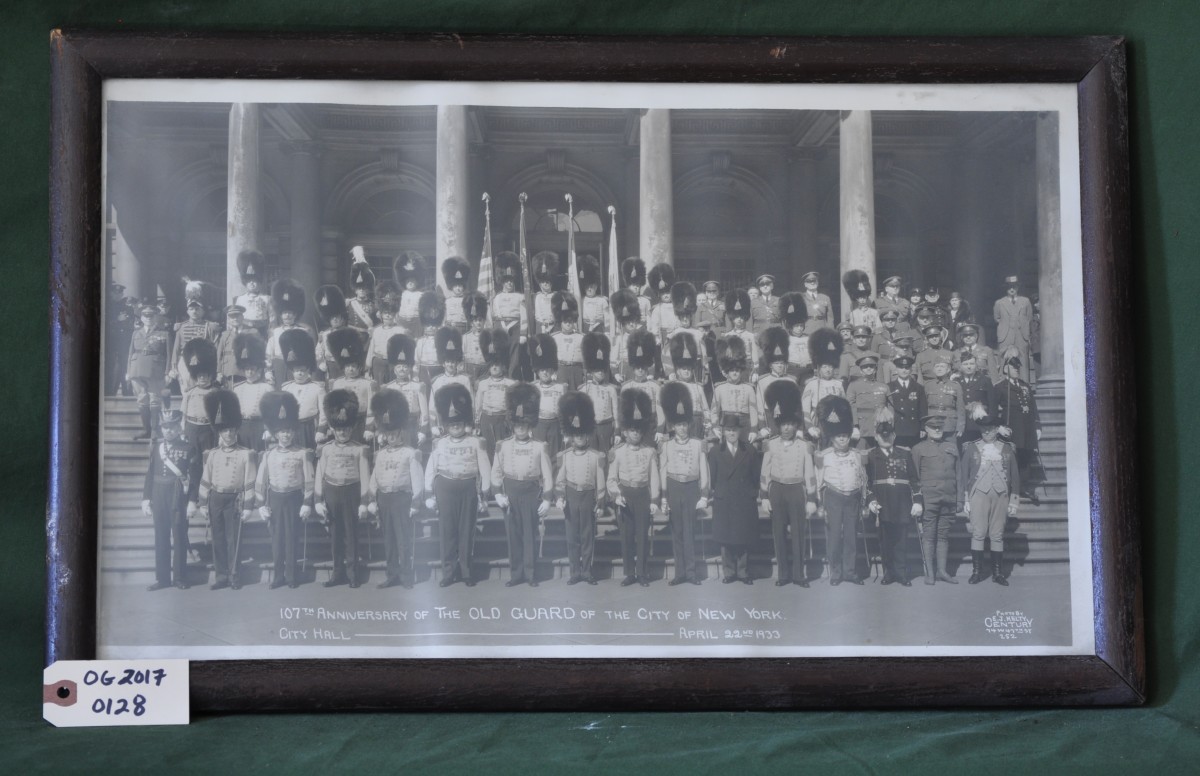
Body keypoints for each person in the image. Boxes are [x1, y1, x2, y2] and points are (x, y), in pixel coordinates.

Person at [425, 383, 491, 587]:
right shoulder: (440, 443)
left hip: (468, 489)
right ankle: (448, 572)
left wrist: (485, 495)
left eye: (459, 422)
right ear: (445, 424)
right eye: (452, 423)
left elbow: (485, 469)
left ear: (465, 422)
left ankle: (466, 571)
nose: (455, 426)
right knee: (447, 532)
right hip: (445, 489)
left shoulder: (476, 442)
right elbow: (431, 468)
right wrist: (429, 494)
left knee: (466, 531)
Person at [492, 383, 554, 587]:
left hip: (530, 493)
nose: (520, 429)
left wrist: (546, 499)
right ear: (512, 425)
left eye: (524, 425)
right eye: (517, 425)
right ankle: (516, 573)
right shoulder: (503, 445)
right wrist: (498, 493)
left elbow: (547, 474)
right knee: (514, 535)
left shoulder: (539, 447)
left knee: (529, 534)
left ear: (529, 426)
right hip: (510, 493)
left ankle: (530, 573)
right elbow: (496, 471)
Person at [196, 389, 257, 590]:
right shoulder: (212, 455)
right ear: (220, 433)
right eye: (225, 431)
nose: (229, 434)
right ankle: (221, 576)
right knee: (218, 539)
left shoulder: (246, 454)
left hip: (234, 500)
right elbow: (206, 479)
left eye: (231, 430)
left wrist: (248, 506)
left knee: (234, 541)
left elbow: (250, 481)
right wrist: (203, 502)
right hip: (215, 499)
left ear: (236, 431)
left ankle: (234, 576)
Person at [760, 379, 818, 587]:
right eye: (783, 424)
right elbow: (765, 471)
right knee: (779, 533)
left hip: (796, 490)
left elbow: (810, 473)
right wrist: (764, 496)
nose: (786, 428)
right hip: (777, 490)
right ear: (779, 425)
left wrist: (811, 498)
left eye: (790, 424)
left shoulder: (804, 446)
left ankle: (798, 575)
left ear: (795, 425)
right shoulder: (771, 444)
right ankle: (783, 575)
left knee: (798, 533)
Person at [255, 391, 315, 589]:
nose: (286, 435)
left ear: (294, 432)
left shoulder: (302, 454)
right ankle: (278, 576)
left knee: (292, 537)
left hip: (294, 498)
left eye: (289, 431)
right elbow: (260, 482)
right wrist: (261, 504)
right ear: (276, 434)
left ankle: (291, 576)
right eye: (282, 432)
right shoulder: (268, 455)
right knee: (277, 539)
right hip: (275, 499)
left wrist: (307, 502)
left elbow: (309, 480)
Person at [368, 389, 424, 589]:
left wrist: (416, 503)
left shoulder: (411, 453)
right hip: (384, 500)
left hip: (402, 499)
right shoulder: (380, 454)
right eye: (388, 434)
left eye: (394, 433)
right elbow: (375, 478)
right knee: (389, 540)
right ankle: (391, 575)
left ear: (401, 432)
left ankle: (406, 576)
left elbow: (417, 480)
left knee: (403, 540)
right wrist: (372, 500)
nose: (391, 437)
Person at [314, 390, 371, 588]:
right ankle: (337, 573)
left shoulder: (360, 449)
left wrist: (364, 502)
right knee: (335, 536)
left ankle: (353, 574)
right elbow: (320, 475)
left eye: (346, 429)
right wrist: (317, 501)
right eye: (339, 429)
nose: (343, 433)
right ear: (332, 428)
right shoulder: (326, 449)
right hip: (331, 494)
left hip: (351, 493)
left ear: (352, 427)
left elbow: (365, 477)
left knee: (351, 535)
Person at [141, 408, 201, 591]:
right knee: (161, 536)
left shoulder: (189, 448)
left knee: (180, 536)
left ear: (179, 427)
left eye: (172, 427)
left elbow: (195, 477)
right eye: (165, 427)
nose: (169, 431)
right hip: (159, 494)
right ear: (161, 428)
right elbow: (150, 474)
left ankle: (180, 577)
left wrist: (192, 501)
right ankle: (163, 578)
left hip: (178, 496)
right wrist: (146, 498)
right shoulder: (156, 447)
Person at [958, 408, 1020, 585]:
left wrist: (1014, 501)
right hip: (978, 495)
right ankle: (977, 572)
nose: (987, 432)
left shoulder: (1007, 449)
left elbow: (1015, 476)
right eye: (984, 429)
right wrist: (965, 499)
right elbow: (964, 475)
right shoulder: (971, 448)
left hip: (1001, 496)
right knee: (978, 533)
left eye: (991, 429)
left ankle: (998, 574)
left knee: (997, 534)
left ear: (996, 429)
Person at [607, 389, 661, 586]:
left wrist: (655, 500)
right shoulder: (618, 453)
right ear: (625, 431)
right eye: (632, 431)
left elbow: (654, 477)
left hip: (642, 495)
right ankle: (629, 573)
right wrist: (616, 495)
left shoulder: (649, 452)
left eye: (638, 431)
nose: (635, 434)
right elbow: (611, 479)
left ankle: (642, 573)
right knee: (627, 537)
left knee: (642, 536)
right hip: (626, 495)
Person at [659, 383, 710, 585]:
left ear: (689, 424)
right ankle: (679, 573)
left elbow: (703, 470)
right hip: (674, 488)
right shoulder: (666, 445)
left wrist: (704, 494)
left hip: (691, 489)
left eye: (684, 424)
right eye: (678, 425)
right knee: (677, 532)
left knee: (690, 532)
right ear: (672, 426)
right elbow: (663, 471)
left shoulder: (698, 444)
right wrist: (663, 496)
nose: (682, 428)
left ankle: (691, 572)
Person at [813, 395, 867, 586]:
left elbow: (862, 478)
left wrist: (863, 501)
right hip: (833, 497)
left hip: (852, 498)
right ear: (833, 437)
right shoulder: (823, 456)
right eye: (838, 436)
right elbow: (819, 481)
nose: (842, 439)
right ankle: (835, 573)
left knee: (851, 537)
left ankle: (850, 572)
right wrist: (820, 504)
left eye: (845, 436)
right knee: (834, 537)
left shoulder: (856, 455)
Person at [554, 392, 606, 585]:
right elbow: (560, 481)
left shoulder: (596, 456)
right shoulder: (565, 456)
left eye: (583, 435)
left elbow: (600, 482)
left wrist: (600, 502)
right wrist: (559, 497)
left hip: (587, 497)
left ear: (588, 435)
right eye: (576, 435)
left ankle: (587, 571)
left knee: (587, 536)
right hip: (571, 496)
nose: (580, 438)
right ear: (571, 437)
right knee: (572, 536)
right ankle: (575, 571)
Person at [865, 419, 923, 586]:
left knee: (901, 541)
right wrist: (871, 500)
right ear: (876, 437)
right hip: (881, 505)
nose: (886, 438)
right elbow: (867, 482)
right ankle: (889, 573)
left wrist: (917, 501)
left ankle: (902, 573)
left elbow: (914, 480)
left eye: (889, 435)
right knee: (885, 542)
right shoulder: (871, 456)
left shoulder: (904, 454)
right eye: (882, 436)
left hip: (902, 504)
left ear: (894, 435)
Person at [708, 413, 760, 585]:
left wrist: (751, 493)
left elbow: (755, 476)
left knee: (743, 535)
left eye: (734, 430)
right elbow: (713, 478)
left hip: (744, 497)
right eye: (728, 430)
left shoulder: (749, 450)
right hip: (725, 498)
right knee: (726, 536)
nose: (731, 433)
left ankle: (743, 572)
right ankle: (729, 572)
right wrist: (720, 491)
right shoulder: (716, 451)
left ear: (740, 431)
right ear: (723, 432)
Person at [910, 415, 961, 585]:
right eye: (933, 427)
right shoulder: (918, 449)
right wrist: (917, 500)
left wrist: (959, 499)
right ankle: (929, 573)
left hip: (949, 496)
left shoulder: (952, 447)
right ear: (926, 430)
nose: (937, 430)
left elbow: (958, 475)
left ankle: (942, 571)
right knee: (929, 536)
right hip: (929, 498)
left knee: (943, 536)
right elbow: (914, 477)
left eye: (940, 427)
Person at [993, 349, 1043, 503]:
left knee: (1026, 456)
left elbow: (1033, 407)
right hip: (1012, 428)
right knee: (1012, 457)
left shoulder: (1025, 386)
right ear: (1006, 368)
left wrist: (1037, 426)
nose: (1016, 370)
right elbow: (993, 410)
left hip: (1027, 427)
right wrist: (998, 427)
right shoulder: (1000, 387)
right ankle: (1010, 488)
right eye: (1013, 367)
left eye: (1018, 367)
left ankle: (1026, 487)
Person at [127, 304, 171, 441]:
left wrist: (168, 372)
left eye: (151, 315)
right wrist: (128, 370)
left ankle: (154, 430)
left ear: (156, 317)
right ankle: (146, 430)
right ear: (141, 317)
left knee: (154, 400)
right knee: (141, 400)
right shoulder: (136, 333)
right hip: (137, 369)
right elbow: (130, 352)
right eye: (145, 315)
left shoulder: (164, 333)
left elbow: (168, 355)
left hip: (155, 369)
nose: (149, 318)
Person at [327, 327, 376, 444]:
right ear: (343, 368)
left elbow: (371, 406)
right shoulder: (338, 383)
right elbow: (333, 405)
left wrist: (369, 427)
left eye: (354, 366)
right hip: (344, 422)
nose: (351, 369)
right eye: (348, 367)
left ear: (359, 367)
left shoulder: (367, 383)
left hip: (361, 421)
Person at [473, 327, 516, 462]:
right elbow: (478, 406)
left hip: (502, 421)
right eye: (492, 365)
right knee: (488, 453)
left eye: (497, 365)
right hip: (487, 419)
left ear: (503, 365)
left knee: (503, 452)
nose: (495, 368)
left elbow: (512, 406)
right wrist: (478, 424)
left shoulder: (510, 384)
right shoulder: (483, 384)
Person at [382, 333, 428, 455]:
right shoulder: (388, 387)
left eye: (405, 366)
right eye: (399, 366)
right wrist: (382, 431)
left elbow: (424, 412)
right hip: (393, 427)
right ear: (394, 368)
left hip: (411, 426)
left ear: (409, 368)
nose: (402, 369)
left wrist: (423, 430)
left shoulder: (418, 386)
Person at [279, 329, 324, 451]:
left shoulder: (317, 388)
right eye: (297, 370)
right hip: (291, 428)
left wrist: (321, 430)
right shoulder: (286, 387)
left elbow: (323, 412)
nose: (299, 373)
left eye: (302, 370)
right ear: (292, 371)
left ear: (308, 370)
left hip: (309, 427)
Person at [265, 278, 313, 389]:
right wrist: (268, 370)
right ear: (280, 315)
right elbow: (269, 353)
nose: (287, 316)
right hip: (279, 366)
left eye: (290, 313)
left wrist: (307, 371)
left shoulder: (303, 331)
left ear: (295, 314)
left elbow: (308, 353)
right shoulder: (275, 332)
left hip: (297, 367)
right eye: (284, 313)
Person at [710, 335, 758, 444]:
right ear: (726, 372)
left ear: (741, 371)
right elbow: (714, 411)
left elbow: (753, 410)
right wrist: (715, 426)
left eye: (737, 370)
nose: (735, 373)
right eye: (731, 370)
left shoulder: (749, 388)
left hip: (745, 425)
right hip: (726, 424)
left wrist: (754, 429)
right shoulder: (719, 388)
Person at [169, 295, 221, 395]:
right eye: (191, 309)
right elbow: (176, 348)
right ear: (187, 311)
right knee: (186, 385)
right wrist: (174, 366)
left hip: (204, 360)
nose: (194, 311)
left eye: (197, 309)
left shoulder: (210, 326)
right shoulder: (181, 327)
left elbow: (215, 347)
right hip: (185, 359)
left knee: (204, 385)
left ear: (203, 311)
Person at [527, 333, 566, 463]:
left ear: (553, 370)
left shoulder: (560, 387)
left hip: (554, 424)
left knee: (554, 456)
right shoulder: (533, 387)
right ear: (537, 371)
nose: (545, 373)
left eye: (548, 370)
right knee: (539, 454)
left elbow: (564, 410)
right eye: (542, 370)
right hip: (539, 424)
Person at [801, 328, 846, 441]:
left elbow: (844, 406)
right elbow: (805, 408)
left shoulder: (838, 384)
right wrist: (810, 427)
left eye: (830, 367)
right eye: (824, 367)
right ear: (819, 368)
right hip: (818, 420)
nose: (828, 370)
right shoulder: (812, 384)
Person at [620, 330, 665, 442]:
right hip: (632, 427)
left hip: (650, 426)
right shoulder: (626, 387)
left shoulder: (655, 386)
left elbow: (660, 410)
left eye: (643, 367)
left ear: (647, 367)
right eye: (637, 367)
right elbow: (622, 412)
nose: (640, 370)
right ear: (633, 368)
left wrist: (660, 430)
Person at [581, 333, 619, 459]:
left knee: (605, 456)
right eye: (597, 370)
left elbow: (616, 413)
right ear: (591, 371)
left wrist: (617, 431)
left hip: (606, 426)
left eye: (603, 370)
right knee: (591, 456)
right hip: (591, 427)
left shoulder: (611, 389)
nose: (601, 373)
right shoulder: (584, 389)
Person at [428, 327, 472, 437]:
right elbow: (432, 407)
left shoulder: (464, 380)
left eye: (453, 361)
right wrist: (433, 426)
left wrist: (469, 424)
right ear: (443, 363)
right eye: (448, 362)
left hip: (461, 424)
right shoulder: (437, 382)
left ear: (457, 363)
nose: (450, 365)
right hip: (444, 424)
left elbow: (471, 404)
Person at [231, 332, 272, 452]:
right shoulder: (237, 388)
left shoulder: (266, 388)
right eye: (247, 369)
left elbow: (269, 412)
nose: (249, 372)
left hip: (258, 427)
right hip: (242, 427)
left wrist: (268, 429)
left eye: (252, 369)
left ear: (258, 368)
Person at [666, 333, 710, 440]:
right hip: (680, 421)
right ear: (677, 370)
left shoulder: (698, 387)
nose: (686, 372)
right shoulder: (673, 386)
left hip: (697, 421)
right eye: (683, 369)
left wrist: (708, 420)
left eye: (689, 369)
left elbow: (705, 407)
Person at [179, 338, 218, 456]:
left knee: (208, 458)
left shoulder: (216, 392)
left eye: (205, 376)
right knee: (193, 459)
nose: (203, 378)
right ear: (196, 377)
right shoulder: (190, 393)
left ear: (210, 376)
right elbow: (184, 414)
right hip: (192, 428)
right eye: (200, 376)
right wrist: (183, 429)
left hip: (208, 429)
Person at [756, 327, 795, 440]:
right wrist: (762, 426)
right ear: (770, 365)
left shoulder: (791, 381)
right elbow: (759, 405)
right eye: (776, 363)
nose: (779, 366)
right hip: (770, 417)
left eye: (782, 363)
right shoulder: (763, 381)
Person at [993, 275, 1033, 382]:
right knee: (1004, 359)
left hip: (1021, 335)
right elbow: (997, 318)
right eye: (1009, 287)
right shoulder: (999, 303)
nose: (1012, 289)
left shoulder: (1025, 301)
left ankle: (1024, 386)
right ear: (1006, 288)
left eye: (1014, 287)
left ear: (1017, 288)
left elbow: (1029, 318)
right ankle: (1004, 385)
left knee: (1023, 361)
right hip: (1005, 335)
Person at [369, 280, 409, 386]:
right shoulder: (376, 330)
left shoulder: (400, 330)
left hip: (393, 363)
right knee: (378, 387)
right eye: (385, 313)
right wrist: (368, 365)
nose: (387, 316)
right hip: (378, 362)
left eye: (390, 314)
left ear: (394, 314)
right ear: (381, 314)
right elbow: (371, 348)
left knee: (393, 386)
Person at [846, 354, 889, 449]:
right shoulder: (853, 386)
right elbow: (850, 406)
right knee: (863, 456)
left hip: (882, 428)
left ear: (876, 369)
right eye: (865, 367)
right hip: (863, 428)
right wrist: (855, 426)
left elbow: (890, 407)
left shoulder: (884, 386)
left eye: (871, 366)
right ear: (861, 370)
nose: (868, 368)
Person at [663, 281, 704, 380]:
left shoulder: (699, 334)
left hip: (696, 370)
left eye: (687, 316)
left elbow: (704, 354)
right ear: (678, 317)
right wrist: (670, 372)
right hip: (678, 370)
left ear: (691, 316)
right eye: (682, 317)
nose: (685, 319)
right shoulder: (672, 334)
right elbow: (666, 355)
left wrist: (705, 371)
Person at [312, 285, 353, 382]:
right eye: (332, 317)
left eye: (337, 317)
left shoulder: (349, 333)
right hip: (330, 366)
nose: (335, 319)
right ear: (328, 319)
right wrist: (321, 362)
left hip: (344, 366)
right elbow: (318, 351)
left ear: (342, 318)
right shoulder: (324, 334)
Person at [887, 355, 926, 449]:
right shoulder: (889, 387)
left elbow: (923, 409)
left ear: (911, 370)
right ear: (896, 369)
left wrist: (923, 427)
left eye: (907, 368)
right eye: (901, 367)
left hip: (914, 428)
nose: (904, 370)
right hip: (897, 428)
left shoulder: (918, 388)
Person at [956, 350, 995, 445]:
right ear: (960, 366)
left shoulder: (985, 380)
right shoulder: (956, 381)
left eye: (972, 364)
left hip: (980, 424)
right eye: (965, 364)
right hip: (962, 425)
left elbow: (993, 404)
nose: (969, 366)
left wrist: (990, 423)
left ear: (976, 365)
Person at [924, 360, 966, 442]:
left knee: (949, 450)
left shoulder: (955, 386)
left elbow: (960, 408)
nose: (939, 369)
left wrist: (960, 426)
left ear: (948, 370)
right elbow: (923, 407)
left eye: (942, 366)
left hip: (949, 424)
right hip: (932, 423)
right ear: (933, 369)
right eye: (937, 366)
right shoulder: (928, 385)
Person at [490, 251, 529, 338]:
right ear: (502, 282)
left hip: (515, 327)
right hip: (500, 325)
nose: (509, 283)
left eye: (511, 281)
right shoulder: (496, 297)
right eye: (507, 281)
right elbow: (492, 315)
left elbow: (524, 315)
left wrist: (523, 333)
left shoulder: (520, 297)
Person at [233, 249, 270, 339]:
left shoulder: (267, 298)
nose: (252, 283)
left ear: (259, 282)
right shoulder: (239, 299)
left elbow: (271, 318)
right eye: (249, 281)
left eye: (255, 281)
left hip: (262, 331)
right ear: (245, 282)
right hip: (245, 330)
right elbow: (236, 317)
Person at [552, 291, 585, 390]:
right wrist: (553, 373)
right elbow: (552, 357)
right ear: (560, 322)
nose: (568, 324)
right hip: (561, 370)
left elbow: (585, 357)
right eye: (565, 321)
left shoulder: (581, 337)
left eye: (570, 321)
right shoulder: (555, 337)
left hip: (577, 370)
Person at [412, 291, 446, 388]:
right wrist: (415, 376)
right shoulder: (420, 341)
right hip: (424, 370)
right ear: (424, 326)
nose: (431, 327)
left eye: (433, 325)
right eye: (428, 325)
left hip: (438, 370)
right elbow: (416, 360)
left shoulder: (442, 340)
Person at [609, 288, 643, 383]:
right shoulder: (619, 338)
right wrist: (615, 373)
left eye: (633, 321)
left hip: (639, 369)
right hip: (625, 369)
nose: (631, 324)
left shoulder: (642, 337)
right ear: (623, 323)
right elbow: (613, 358)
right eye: (628, 322)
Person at [779, 292, 813, 384]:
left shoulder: (809, 338)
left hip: (807, 370)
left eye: (801, 326)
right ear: (791, 326)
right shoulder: (786, 339)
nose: (799, 328)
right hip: (792, 370)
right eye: (797, 326)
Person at [215, 304, 250, 387]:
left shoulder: (251, 332)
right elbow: (219, 355)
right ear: (229, 320)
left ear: (242, 317)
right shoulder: (225, 335)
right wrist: (219, 372)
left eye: (237, 316)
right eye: (232, 317)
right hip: (228, 371)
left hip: (246, 371)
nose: (235, 319)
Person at [394, 251, 427, 338]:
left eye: (413, 281)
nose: (410, 283)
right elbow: (395, 307)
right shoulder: (401, 294)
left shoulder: (421, 294)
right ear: (404, 282)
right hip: (402, 322)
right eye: (408, 281)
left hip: (416, 322)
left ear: (417, 282)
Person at [724, 289, 759, 369]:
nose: (739, 320)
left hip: (747, 364)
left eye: (742, 317)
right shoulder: (728, 335)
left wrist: (756, 366)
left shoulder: (750, 335)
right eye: (736, 317)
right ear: (732, 318)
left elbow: (754, 352)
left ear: (745, 318)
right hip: (733, 365)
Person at [461, 290, 491, 383]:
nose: (478, 323)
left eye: (480, 320)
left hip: (484, 370)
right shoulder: (465, 338)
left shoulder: (489, 337)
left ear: (484, 321)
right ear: (471, 321)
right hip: (469, 369)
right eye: (475, 320)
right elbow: (462, 356)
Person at [577, 255, 612, 335]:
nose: (589, 289)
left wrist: (607, 331)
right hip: (585, 328)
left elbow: (607, 317)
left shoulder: (602, 300)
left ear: (596, 286)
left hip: (599, 327)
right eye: (587, 287)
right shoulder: (581, 300)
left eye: (592, 287)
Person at [346, 246, 377, 330]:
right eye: (359, 289)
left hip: (368, 335)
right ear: (355, 290)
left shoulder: (373, 304)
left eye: (364, 288)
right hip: (353, 335)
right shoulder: (349, 304)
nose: (362, 290)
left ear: (367, 290)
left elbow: (377, 321)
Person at [646, 263, 678, 344]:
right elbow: (655, 323)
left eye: (668, 293)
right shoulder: (657, 308)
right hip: (663, 335)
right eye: (663, 293)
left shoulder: (676, 306)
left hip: (675, 333)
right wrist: (656, 336)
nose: (666, 295)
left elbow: (678, 319)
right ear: (659, 295)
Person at [440, 255, 471, 333]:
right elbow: (444, 318)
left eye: (460, 286)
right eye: (455, 286)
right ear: (451, 286)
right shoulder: (447, 301)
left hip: (464, 329)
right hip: (450, 329)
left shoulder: (467, 300)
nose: (458, 288)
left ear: (463, 287)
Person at [531, 250, 560, 335]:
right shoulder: (534, 297)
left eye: (548, 280)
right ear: (539, 282)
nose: (546, 283)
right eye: (543, 281)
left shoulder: (557, 295)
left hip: (554, 328)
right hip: (540, 327)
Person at [619, 256, 653, 323]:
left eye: (638, 285)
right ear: (628, 285)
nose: (636, 287)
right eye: (633, 285)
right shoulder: (623, 300)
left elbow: (649, 318)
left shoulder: (646, 301)